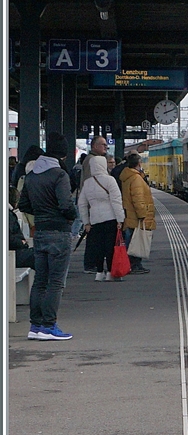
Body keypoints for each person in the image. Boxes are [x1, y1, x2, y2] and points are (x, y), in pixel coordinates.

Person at [16, 134, 77, 340]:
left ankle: (35, 326)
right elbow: (66, 205)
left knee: (40, 281)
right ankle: (49, 326)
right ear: (63, 155)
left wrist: (41, 213)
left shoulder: (32, 175)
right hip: (59, 233)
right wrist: (72, 216)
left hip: (40, 232)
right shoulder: (59, 175)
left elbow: (23, 204)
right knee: (55, 282)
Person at [78, 149, 124, 281]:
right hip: (110, 218)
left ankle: (99, 272)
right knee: (110, 246)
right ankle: (109, 272)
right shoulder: (110, 180)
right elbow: (116, 201)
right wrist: (120, 219)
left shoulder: (87, 183)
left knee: (98, 246)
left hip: (95, 219)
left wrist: (86, 222)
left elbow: (82, 204)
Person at [117, 153, 154, 274]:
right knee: (136, 241)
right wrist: (142, 214)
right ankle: (134, 265)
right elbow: (137, 198)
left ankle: (131, 264)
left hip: (129, 214)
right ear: (138, 163)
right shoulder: (136, 178)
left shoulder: (127, 176)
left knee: (131, 240)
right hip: (136, 216)